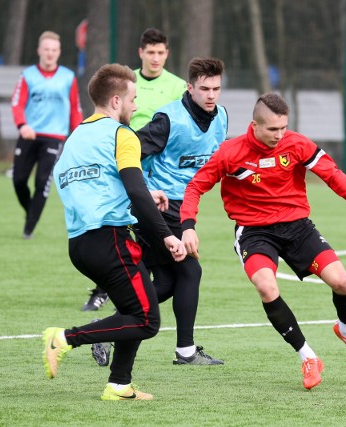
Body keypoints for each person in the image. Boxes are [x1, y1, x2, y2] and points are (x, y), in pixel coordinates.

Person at [179, 93, 346, 390]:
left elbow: (331, 175)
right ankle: (308, 357)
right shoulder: (230, 153)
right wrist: (188, 226)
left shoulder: (297, 144)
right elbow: (195, 188)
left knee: (342, 283)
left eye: (283, 127)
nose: (279, 135)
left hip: (298, 229)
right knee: (267, 287)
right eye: (272, 129)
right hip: (255, 233)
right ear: (254, 125)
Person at [42, 63, 187, 401]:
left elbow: (94, 186)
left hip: (80, 244)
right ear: (117, 100)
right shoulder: (122, 135)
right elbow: (135, 191)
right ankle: (63, 338)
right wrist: (166, 235)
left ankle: (119, 384)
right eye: (134, 100)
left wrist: (144, 194)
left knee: (131, 310)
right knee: (147, 320)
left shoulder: (75, 139)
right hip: (110, 239)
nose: (136, 107)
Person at [91, 57, 228, 367]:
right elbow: (129, 152)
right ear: (189, 87)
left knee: (167, 282)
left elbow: (218, 162)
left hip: (184, 208)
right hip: (159, 208)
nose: (210, 95)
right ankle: (186, 352)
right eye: (204, 88)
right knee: (191, 271)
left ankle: (106, 332)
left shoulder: (221, 118)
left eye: (216, 88)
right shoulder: (168, 119)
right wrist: (146, 193)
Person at [82, 27, 187, 311]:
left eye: (160, 52)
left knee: (144, 244)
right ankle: (106, 291)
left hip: (159, 177)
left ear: (167, 53)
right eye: (150, 52)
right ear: (141, 53)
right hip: (126, 168)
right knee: (119, 231)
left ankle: (117, 302)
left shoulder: (177, 87)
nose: (155, 58)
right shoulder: (126, 82)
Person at [11, 30, 82, 239]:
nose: (50, 54)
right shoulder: (27, 75)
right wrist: (22, 125)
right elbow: (17, 103)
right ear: (39, 51)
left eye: (54, 50)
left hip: (55, 137)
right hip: (29, 134)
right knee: (18, 180)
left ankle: (28, 229)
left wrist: (78, 134)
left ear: (59, 52)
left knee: (43, 180)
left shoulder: (68, 77)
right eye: (46, 49)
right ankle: (31, 211)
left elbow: (75, 109)